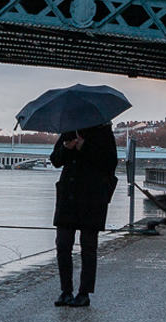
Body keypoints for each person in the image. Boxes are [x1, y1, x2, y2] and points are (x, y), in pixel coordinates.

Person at [50, 123, 119, 307]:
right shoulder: (69, 130)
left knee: (88, 247)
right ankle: (66, 291)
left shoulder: (103, 133)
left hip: (92, 197)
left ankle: (84, 292)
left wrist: (83, 147)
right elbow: (56, 160)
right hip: (68, 196)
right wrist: (66, 148)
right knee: (63, 244)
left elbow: (110, 163)